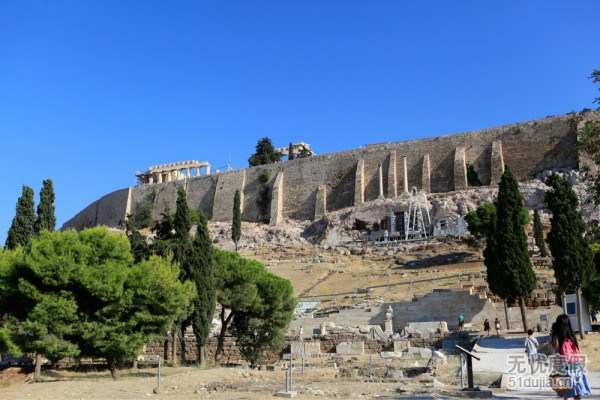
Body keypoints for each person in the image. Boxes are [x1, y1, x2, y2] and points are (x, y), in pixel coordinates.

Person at [552, 314, 591, 400]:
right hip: (577, 368)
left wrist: (556, 368)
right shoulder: (573, 337)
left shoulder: (557, 337)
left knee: (567, 393)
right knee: (576, 393)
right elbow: (579, 352)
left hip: (566, 368)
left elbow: (557, 353)